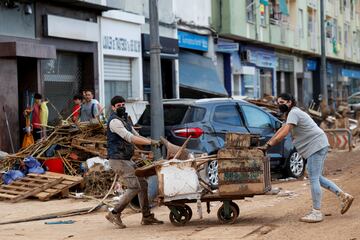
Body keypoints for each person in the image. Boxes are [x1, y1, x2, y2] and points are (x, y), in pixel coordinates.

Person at [259, 93, 354, 223]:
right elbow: (280, 131)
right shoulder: (290, 115)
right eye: (278, 103)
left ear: (290, 102)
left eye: (283, 102)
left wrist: (268, 145)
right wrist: (267, 144)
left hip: (316, 145)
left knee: (314, 177)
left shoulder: (294, 113)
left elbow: (285, 133)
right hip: (317, 145)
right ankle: (343, 196)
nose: (280, 105)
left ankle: (316, 212)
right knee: (316, 176)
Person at [106, 95, 163, 229]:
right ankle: (114, 213)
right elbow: (130, 138)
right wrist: (151, 142)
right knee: (134, 186)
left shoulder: (125, 120)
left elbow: (137, 136)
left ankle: (147, 216)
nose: (121, 107)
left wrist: (150, 143)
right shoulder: (114, 122)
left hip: (126, 159)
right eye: (118, 106)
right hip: (118, 160)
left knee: (142, 183)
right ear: (113, 108)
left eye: (123, 105)